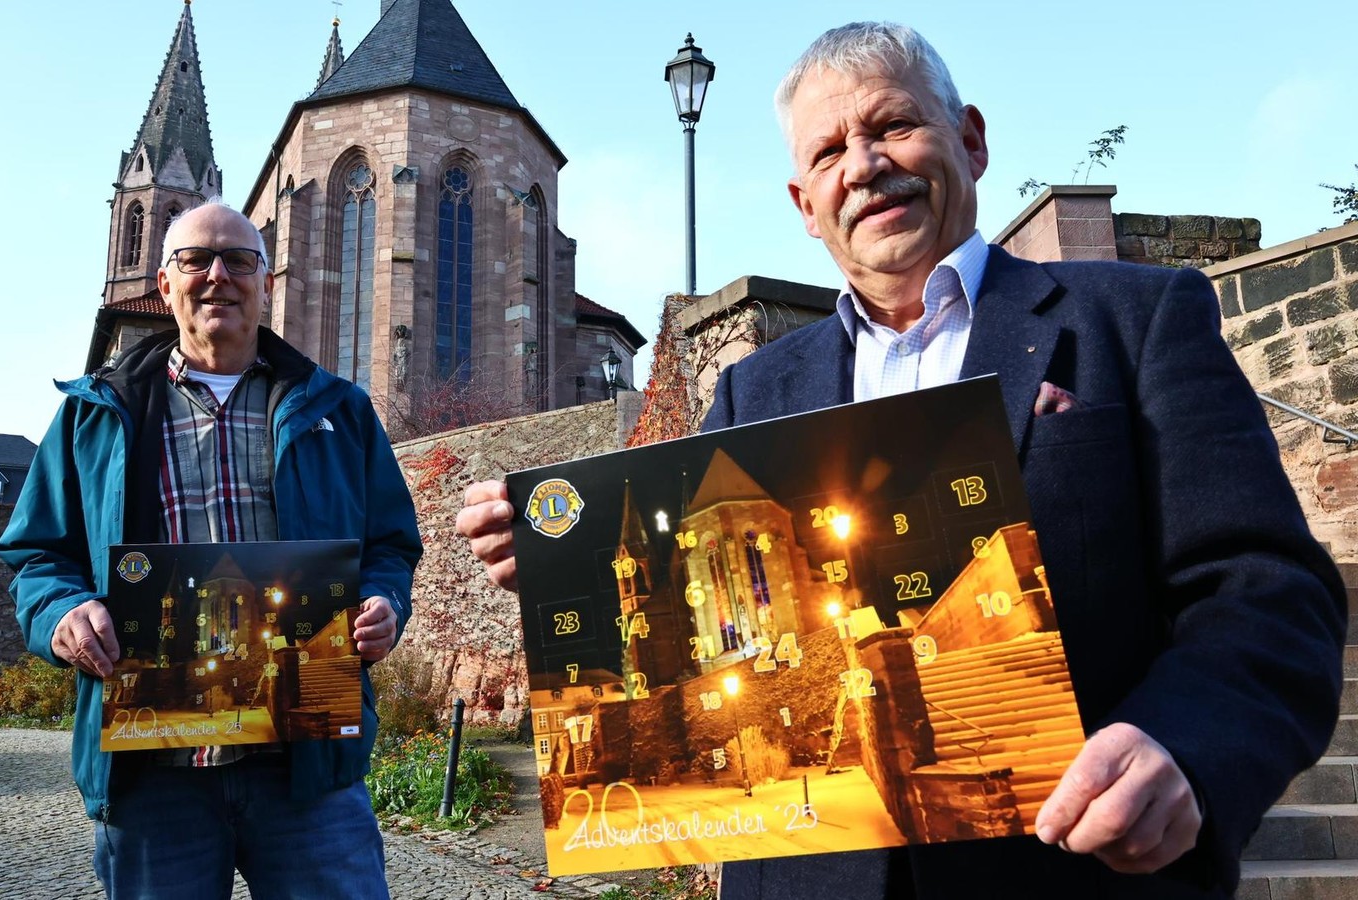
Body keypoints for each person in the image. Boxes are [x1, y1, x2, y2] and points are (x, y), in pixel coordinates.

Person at [455, 21, 1346, 900]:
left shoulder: (1136, 320)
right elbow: (694, 594)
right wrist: (554, 567)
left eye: (892, 126)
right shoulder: (751, 395)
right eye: (831, 149)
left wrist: (1185, 745)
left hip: (1072, 872)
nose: (865, 164)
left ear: (971, 140)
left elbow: (1269, 594)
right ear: (806, 205)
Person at [0, 200, 422, 900]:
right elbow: (37, 555)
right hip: (153, 774)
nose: (217, 274)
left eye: (239, 259)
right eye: (196, 260)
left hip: (305, 763)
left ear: (265, 281)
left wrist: (383, 600)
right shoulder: (95, 413)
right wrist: (64, 614)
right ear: (165, 284)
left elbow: (390, 544)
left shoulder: (339, 410)